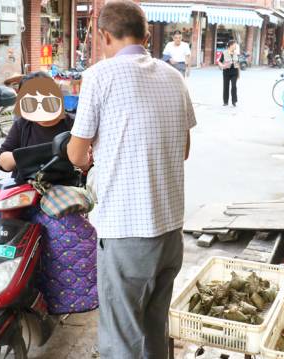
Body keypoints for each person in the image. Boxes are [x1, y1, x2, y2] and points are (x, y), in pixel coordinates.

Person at [66, 1, 196, 358]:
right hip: (170, 232)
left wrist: (94, 157)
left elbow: (76, 155)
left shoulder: (99, 75)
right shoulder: (175, 77)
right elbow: (183, 148)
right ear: (147, 34)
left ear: (104, 35)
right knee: (154, 328)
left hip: (126, 232)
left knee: (121, 338)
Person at [0, 72, 98, 315]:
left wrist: (81, 160)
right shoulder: (22, 126)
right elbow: (3, 159)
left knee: (73, 238)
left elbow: (85, 163)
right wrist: (20, 157)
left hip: (62, 196)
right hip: (24, 195)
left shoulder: (72, 125)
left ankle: (67, 301)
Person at [218, 40, 240, 106]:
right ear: (230, 45)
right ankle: (225, 102)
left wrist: (239, 74)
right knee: (226, 86)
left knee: (234, 86)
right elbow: (219, 61)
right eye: (234, 45)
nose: (235, 46)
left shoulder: (236, 54)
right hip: (226, 72)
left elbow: (238, 64)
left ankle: (234, 101)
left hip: (234, 72)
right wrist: (222, 66)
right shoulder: (224, 53)